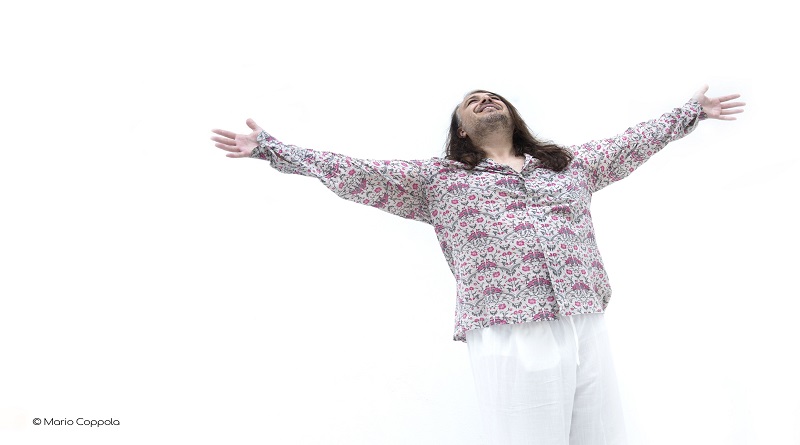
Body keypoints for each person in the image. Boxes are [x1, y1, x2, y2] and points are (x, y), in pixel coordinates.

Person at [210, 85, 745, 445]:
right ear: (462, 130)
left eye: (493, 96)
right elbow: (352, 170)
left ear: (512, 115)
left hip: (585, 317)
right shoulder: (437, 180)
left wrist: (691, 112)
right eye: (473, 101)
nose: (486, 100)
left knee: (601, 436)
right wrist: (269, 149)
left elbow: (632, 142)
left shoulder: (569, 165)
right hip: (508, 325)